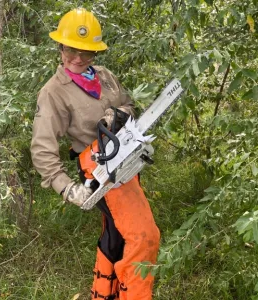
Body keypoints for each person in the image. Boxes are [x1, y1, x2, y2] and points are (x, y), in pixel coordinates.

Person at [30, 8, 160, 300]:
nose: (77, 58)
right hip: (98, 170)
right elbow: (42, 148)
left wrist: (119, 113)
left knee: (117, 233)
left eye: (86, 53)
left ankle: (104, 294)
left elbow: (129, 105)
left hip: (126, 162)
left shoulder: (105, 76)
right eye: (71, 50)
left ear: (95, 54)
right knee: (143, 237)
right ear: (60, 47)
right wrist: (67, 188)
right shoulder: (53, 92)